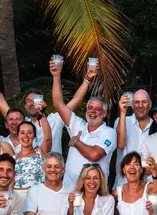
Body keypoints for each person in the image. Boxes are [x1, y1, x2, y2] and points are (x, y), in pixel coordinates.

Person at [50, 59, 117, 190]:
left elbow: (94, 155)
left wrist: (76, 142)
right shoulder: (78, 125)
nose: (92, 111)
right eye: (90, 108)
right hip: (70, 190)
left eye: (97, 109)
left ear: (104, 113)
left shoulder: (109, 132)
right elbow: (58, 104)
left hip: (94, 191)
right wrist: (56, 76)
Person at [115, 89, 154, 185]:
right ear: (132, 105)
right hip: (123, 183)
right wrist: (123, 112)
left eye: (144, 102)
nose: (140, 105)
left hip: (148, 183)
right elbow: (120, 144)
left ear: (150, 104)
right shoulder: (122, 121)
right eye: (136, 102)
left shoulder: (156, 126)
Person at [14, 120, 53, 190]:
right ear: (18, 136)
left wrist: (41, 116)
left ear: (34, 136)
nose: (25, 136)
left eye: (29, 133)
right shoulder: (13, 158)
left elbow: (48, 138)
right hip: (18, 198)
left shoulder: (40, 153)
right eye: (22, 132)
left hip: (37, 197)